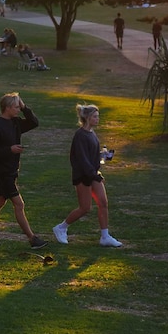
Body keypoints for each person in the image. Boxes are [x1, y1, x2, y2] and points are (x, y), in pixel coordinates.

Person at [0, 92, 48, 249]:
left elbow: (34, 122)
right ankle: (32, 238)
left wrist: (25, 107)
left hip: (11, 170)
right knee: (19, 203)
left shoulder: (15, 123)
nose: (18, 110)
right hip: (2, 172)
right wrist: (10, 149)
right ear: (7, 108)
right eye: (16, 107)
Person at [53, 104, 122, 247]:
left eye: (98, 116)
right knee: (85, 208)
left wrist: (103, 156)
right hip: (84, 176)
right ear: (87, 118)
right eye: (95, 116)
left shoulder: (91, 134)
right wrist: (93, 174)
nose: (98, 119)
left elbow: (91, 156)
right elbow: (82, 159)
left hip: (93, 174)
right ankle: (61, 227)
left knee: (103, 203)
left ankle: (105, 236)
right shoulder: (80, 135)